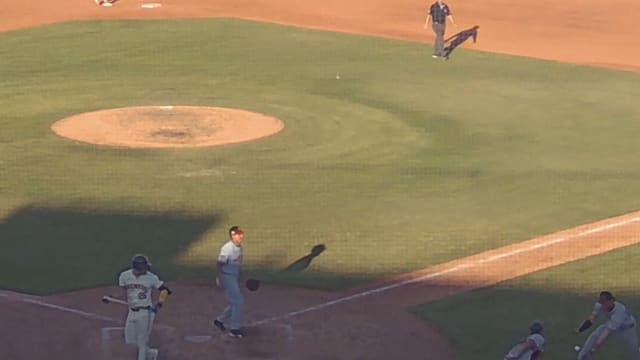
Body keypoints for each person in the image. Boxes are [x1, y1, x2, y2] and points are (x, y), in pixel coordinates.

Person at [118, 254, 171, 360]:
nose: (147, 269)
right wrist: (110, 297)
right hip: (131, 312)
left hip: (146, 313)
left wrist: (159, 303)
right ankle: (151, 353)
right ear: (138, 267)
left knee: (142, 341)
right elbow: (122, 290)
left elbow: (165, 290)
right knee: (131, 340)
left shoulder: (151, 277)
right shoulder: (125, 276)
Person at [576, 291, 640, 360]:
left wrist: (596, 346)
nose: (603, 305)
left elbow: (607, 332)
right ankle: (582, 356)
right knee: (595, 335)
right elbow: (592, 318)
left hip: (628, 327)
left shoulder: (619, 311)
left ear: (611, 301)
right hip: (612, 323)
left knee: (633, 348)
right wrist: (580, 329)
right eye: (602, 302)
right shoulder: (599, 305)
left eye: (605, 302)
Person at [213, 225, 246, 338]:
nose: (241, 236)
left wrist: (242, 277)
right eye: (238, 234)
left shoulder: (240, 248)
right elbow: (219, 264)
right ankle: (235, 329)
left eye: (241, 234)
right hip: (227, 277)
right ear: (233, 236)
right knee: (238, 302)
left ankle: (219, 320)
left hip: (234, 277)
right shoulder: (227, 248)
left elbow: (239, 263)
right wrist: (218, 278)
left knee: (235, 302)